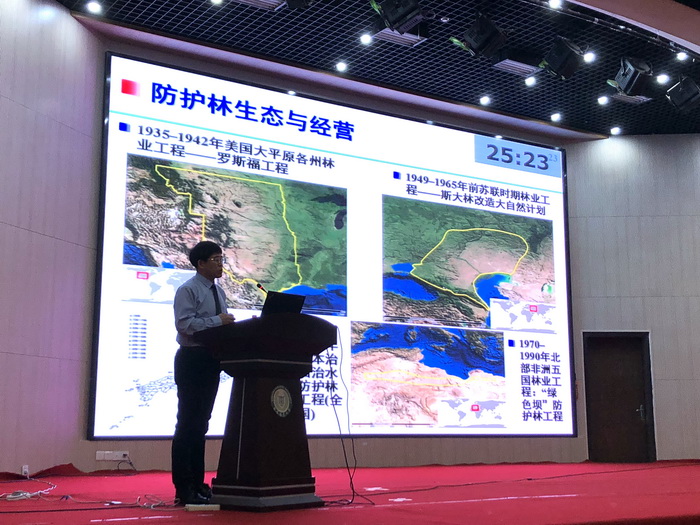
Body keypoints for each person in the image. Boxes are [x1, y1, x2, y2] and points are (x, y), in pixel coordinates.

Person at [171, 241, 235, 505]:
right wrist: (218, 321)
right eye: (216, 259)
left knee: (201, 424)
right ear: (201, 263)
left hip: (211, 360)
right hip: (192, 359)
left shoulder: (218, 291)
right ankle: (183, 488)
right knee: (188, 424)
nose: (221, 264)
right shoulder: (188, 290)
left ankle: (198, 484)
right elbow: (185, 325)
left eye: (221, 259)